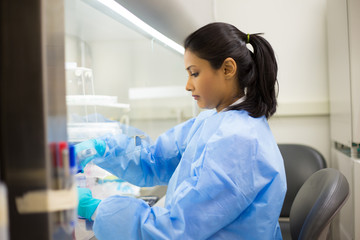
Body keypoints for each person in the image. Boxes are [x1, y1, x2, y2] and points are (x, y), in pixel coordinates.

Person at [76, 22, 287, 239]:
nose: (187, 85)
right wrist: (100, 148)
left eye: (194, 73)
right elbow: (156, 159)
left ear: (227, 69)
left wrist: (97, 211)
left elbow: (175, 230)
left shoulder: (238, 140)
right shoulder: (214, 121)